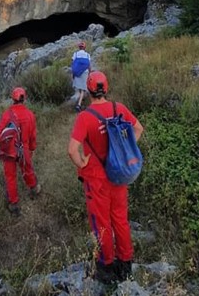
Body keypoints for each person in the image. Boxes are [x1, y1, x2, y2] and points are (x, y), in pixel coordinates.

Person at [67, 71, 144, 284]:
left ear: (89, 91)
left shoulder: (85, 117)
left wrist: (81, 162)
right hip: (118, 176)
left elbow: (72, 149)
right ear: (106, 88)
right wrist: (125, 149)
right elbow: (138, 128)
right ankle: (125, 263)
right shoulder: (119, 108)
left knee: (101, 222)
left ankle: (107, 266)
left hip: (96, 179)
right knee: (120, 219)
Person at [0, 87, 41, 216]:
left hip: (9, 150)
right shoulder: (30, 115)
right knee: (27, 169)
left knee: (10, 177)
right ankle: (34, 188)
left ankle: (14, 205)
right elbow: (32, 135)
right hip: (23, 148)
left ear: (12, 99)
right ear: (24, 99)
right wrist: (32, 148)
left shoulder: (7, 114)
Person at [70, 41, 92, 112]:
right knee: (83, 89)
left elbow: (72, 64)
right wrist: (90, 73)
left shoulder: (75, 54)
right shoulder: (88, 55)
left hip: (77, 72)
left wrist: (73, 73)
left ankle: (79, 101)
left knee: (79, 88)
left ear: (79, 47)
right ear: (85, 47)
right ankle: (79, 105)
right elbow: (89, 65)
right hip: (85, 72)